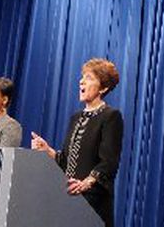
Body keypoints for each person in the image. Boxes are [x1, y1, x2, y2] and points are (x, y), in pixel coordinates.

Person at [31, 58, 123, 227]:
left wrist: (86, 183)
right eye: (82, 77)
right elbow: (67, 161)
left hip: (93, 201)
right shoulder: (76, 118)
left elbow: (109, 162)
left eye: (89, 78)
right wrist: (48, 150)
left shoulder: (110, 116)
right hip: (69, 197)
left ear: (103, 88)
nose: (81, 81)